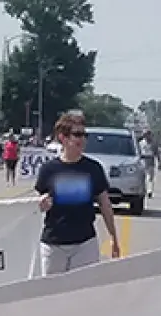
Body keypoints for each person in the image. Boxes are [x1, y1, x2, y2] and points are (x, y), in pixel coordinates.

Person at [35, 113, 120, 276]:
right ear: (63, 138)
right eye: (77, 134)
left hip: (85, 243)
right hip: (54, 243)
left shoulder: (93, 168)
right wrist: (41, 203)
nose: (83, 139)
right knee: (52, 295)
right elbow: (38, 201)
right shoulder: (48, 169)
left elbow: (105, 205)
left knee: (83, 296)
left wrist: (114, 238)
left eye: (84, 134)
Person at [138, 130, 157, 198]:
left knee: (150, 178)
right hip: (142, 161)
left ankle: (150, 191)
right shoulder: (141, 143)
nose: (147, 136)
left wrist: (160, 162)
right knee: (142, 177)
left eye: (149, 134)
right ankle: (142, 190)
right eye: (146, 135)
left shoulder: (154, 143)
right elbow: (138, 152)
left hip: (151, 161)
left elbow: (157, 153)